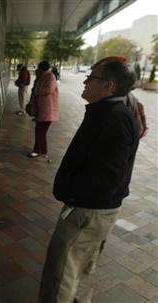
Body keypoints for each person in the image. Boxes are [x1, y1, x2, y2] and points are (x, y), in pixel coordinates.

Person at [38, 57, 140, 303]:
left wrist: (72, 194)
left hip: (87, 211)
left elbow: (107, 178)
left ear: (109, 86)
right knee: (82, 267)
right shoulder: (109, 112)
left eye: (92, 77)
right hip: (95, 209)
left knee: (61, 273)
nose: (85, 81)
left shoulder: (114, 118)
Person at [28, 61, 59, 158]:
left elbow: (48, 89)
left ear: (41, 68)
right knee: (40, 130)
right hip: (42, 108)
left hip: (48, 109)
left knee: (40, 131)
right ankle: (43, 149)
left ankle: (37, 150)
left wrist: (37, 90)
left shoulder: (50, 76)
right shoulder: (42, 76)